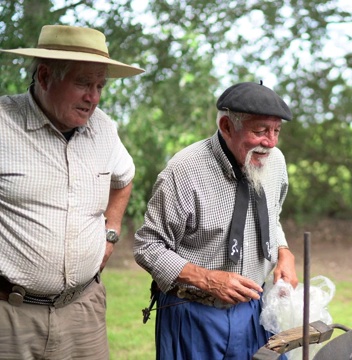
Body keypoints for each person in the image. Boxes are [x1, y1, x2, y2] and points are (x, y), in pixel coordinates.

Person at [0, 25, 144, 359]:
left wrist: (111, 233)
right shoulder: (3, 124)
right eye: (83, 83)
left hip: (83, 311)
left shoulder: (104, 128)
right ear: (46, 76)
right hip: (9, 315)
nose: (93, 97)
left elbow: (124, 178)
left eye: (99, 86)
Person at [134, 81, 299, 359]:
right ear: (226, 126)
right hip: (193, 316)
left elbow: (273, 216)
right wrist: (207, 279)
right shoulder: (183, 171)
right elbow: (148, 246)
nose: (270, 142)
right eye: (259, 131)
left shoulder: (276, 162)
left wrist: (283, 251)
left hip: (254, 312)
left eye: (276, 131)